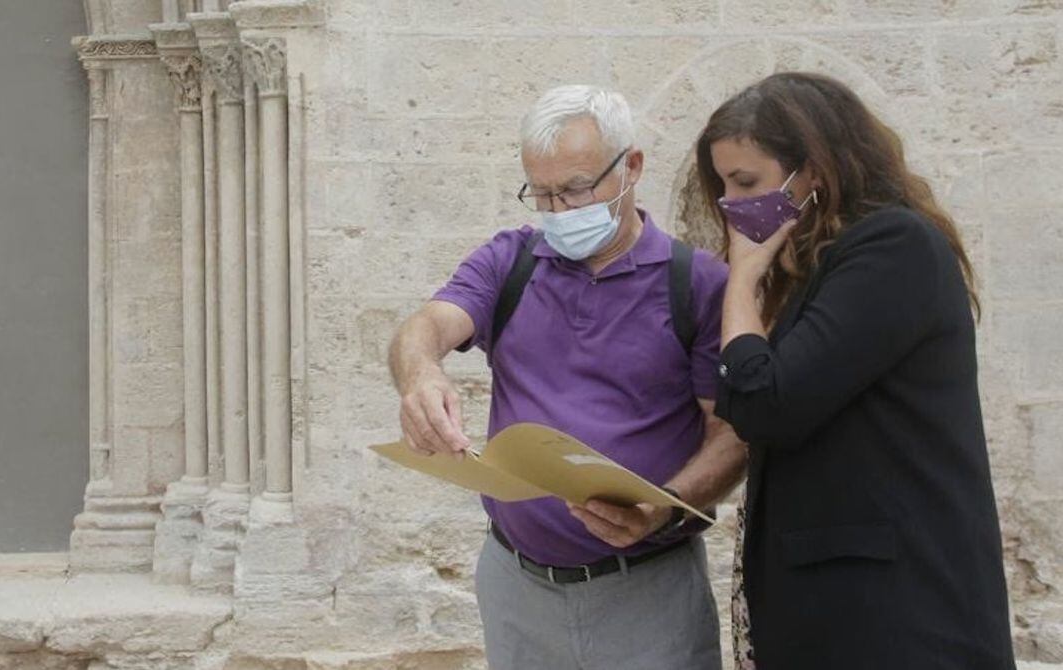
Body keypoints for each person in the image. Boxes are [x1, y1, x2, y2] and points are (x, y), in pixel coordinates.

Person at [388, 84, 744, 669]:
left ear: (631, 166)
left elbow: (731, 434)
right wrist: (420, 374)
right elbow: (426, 325)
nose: (560, 211)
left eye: (576, 189)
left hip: (648, 593)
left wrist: (664, 508)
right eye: (544, 194)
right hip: (516, 587)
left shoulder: (696, 285)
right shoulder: (511, 262)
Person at [697, 71, 1017, 669]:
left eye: (747, 183)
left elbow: (766, 405)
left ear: (815, 171)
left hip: (899, 618)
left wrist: (740, 280)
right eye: (723, 188)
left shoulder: (894, 248)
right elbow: (746, 399)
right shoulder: (822, 271)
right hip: (839, 615)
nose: (734, 207)